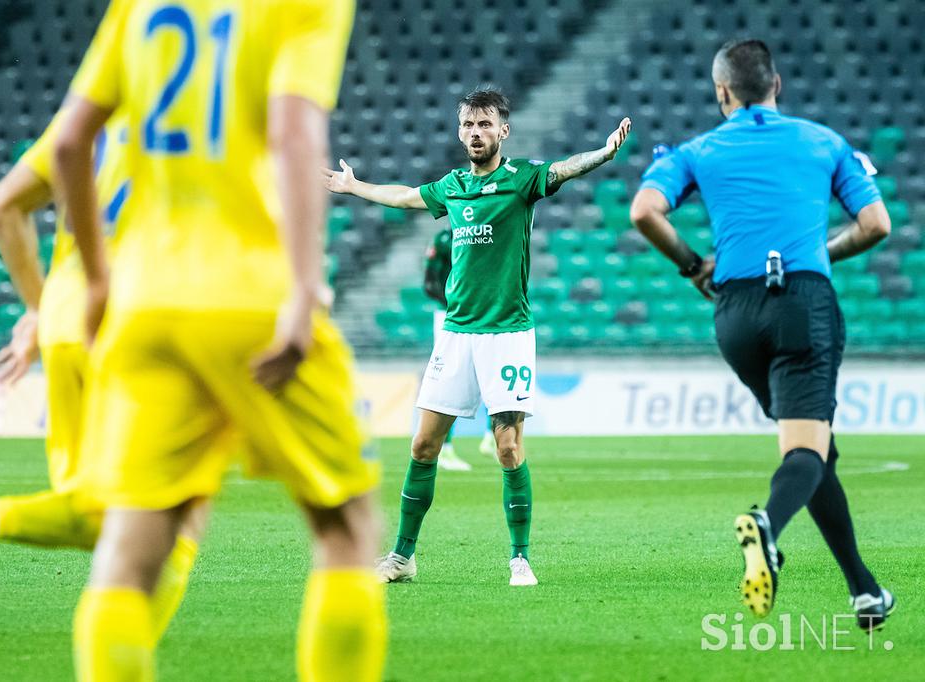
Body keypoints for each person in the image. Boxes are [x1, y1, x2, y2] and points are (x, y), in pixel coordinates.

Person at [54, 1, 386, 679]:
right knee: (346, 525)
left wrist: (95, 281)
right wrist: (301, 289)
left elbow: (67, 143)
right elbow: (295, 131)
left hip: (146, 302)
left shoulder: (139, 7)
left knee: (128, 551)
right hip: (250, 295)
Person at [630, 39, 895, 630]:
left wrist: (693, 264)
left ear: (722, 92)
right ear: (777, 85)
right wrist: (823, 253)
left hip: (734, 313)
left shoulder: (696, 151)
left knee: (817, 447)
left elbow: (644, 211)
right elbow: (876, 224)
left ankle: (865, 592)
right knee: (805, 450)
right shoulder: (823, 141)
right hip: (800, 302)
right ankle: (768, 528)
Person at [0, 108, 206, 645]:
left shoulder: (93, 118)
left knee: (104, 513)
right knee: (176, 516)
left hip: (68, 324)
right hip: (143, 321)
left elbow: (0, 209)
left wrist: (42, 308)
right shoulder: (203, 114)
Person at [325, 88, 630, 586]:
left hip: (507, 334)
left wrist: (604, 152)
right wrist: (353, 186)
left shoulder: (521, 180)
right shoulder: (453, 186)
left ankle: (520, 558)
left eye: (484, 124)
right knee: (424, 445)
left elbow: (565, 168)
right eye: (468, 124)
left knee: (507, 446)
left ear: (503, 131)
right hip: (455, 334)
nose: (474, 133)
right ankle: (402, 558)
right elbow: (404, 197)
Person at [422, 226, 494, 471]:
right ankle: (445, 449)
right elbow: (429, 284)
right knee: (450, 378)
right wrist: (456, 302)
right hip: (450, 315)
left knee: (488, 370)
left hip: (477, 313)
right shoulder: (445, 239)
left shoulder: (482, 230)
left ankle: (491, 436)